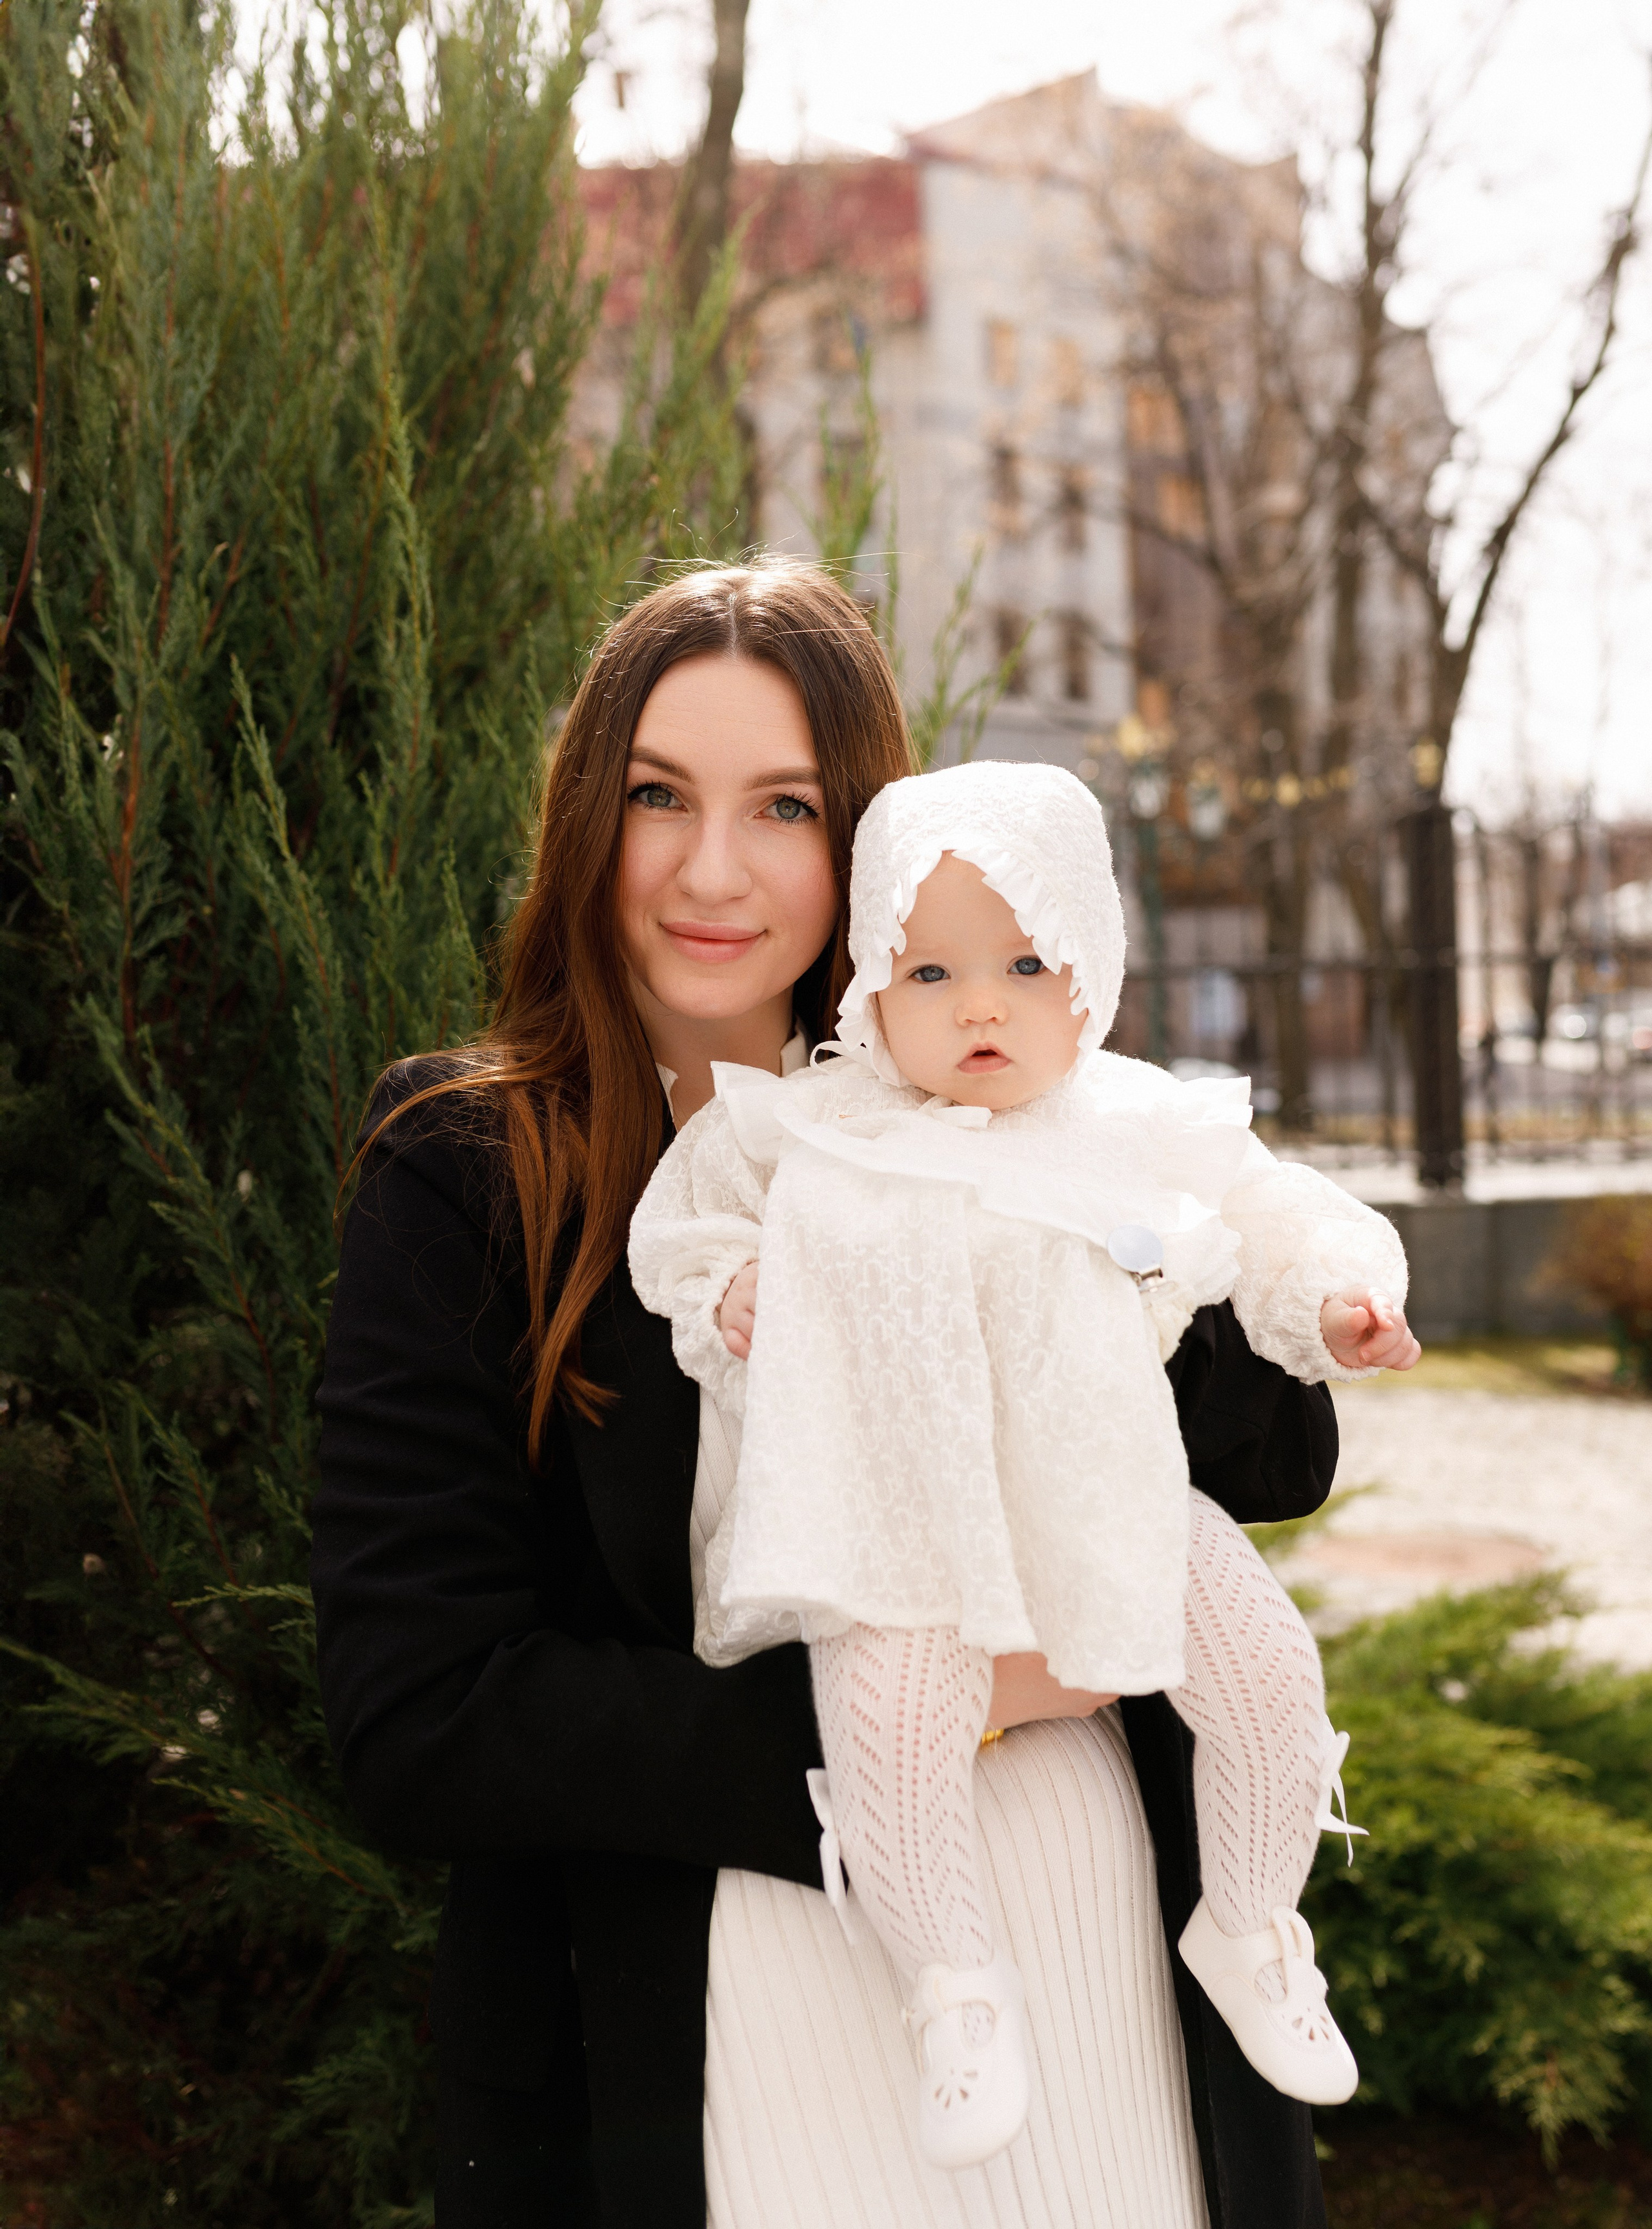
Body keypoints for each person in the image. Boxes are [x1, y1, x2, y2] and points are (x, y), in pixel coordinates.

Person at [312, 560, 1344, 2229]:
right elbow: (423, 1717)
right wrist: (968, 1694)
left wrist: (1060, 1199)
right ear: (591, 814)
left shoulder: (1017, 1085)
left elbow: (1281, 1441)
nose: (711, 867)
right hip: (729, 2018)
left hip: (1108, 1996)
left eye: (783, 804)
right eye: (658, 794)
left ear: (867, 842)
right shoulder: (467, 1170)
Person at [630, 758, 1418, 2174]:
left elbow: (1276, 1213)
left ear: (1089, 973)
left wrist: (1337, 1298)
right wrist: (730, 1283)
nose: (977, 1002)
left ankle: (1247, 1918)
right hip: (898, 1517)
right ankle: (950, 1983)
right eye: (927, 968)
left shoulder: (1130, 1122)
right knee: (889, 1724)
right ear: (870, 984)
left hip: (1112, 1489)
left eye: (1021, 960)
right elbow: (686, 1212)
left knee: (1259, 1668)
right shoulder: (822, 1121)